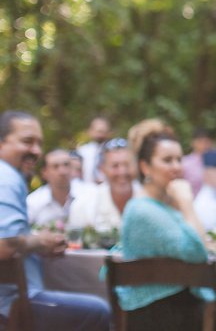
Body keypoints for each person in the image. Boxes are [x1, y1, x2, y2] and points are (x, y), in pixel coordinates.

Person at [0, 111, 110, 331]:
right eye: (27, 141)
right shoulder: (7, 177)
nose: (36, 150)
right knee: (99, 311)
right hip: (12, 305)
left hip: (16, 298)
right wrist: (40, 241)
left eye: (39, 144)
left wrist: (34, 245)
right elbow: (5, 245)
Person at [117, 127, 214, 330]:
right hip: (158, 313)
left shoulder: (163, 206)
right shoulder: (143, 210)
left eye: (179, 159)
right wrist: (187, 203)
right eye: (167, 160)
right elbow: (198, 254)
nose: (177, 167)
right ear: (145, 167)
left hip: (177, 308)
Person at [68, 137, 140, 237]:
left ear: (137, 166)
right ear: (102, 169)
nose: (122, 172)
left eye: (127, 165)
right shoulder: (83, 204)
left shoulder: (150, 200)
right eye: (115, 166)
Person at [27, 149, 81, 228]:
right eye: (55, 166)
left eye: (66, 165)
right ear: (44, 172)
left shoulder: (89, 194)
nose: (62, 171)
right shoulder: (32, 202)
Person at [75, 116, 111, 184]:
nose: (101, 134)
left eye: (104, 131)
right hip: (87, 188)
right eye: (98, 131)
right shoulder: (82, 151)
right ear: (90, 132)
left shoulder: (113, 151)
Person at [182, 127, 216, 195]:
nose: (204, 145)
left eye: (206, 141)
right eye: (200, 141)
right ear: (193, 143)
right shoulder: (184, 163)